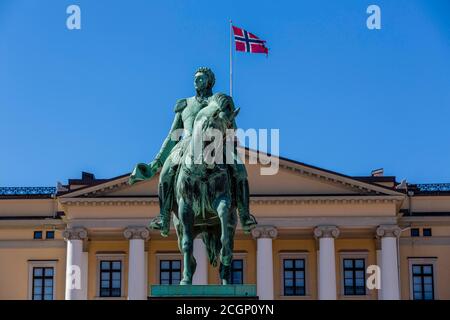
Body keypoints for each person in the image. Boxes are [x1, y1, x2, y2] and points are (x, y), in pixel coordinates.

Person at [129, 67, 257, 236]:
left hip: (217, 144)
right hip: (186, 145)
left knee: (240, 171)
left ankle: (244, 214)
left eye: (201, 78)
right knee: (165, 174)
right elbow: (173, 135)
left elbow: (232, 128)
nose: (196, 81)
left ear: (209, 81)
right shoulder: (185, 104)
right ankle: (163, 217)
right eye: (195, 78)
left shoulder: (219, 101)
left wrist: (230, 142)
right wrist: (157, 161)